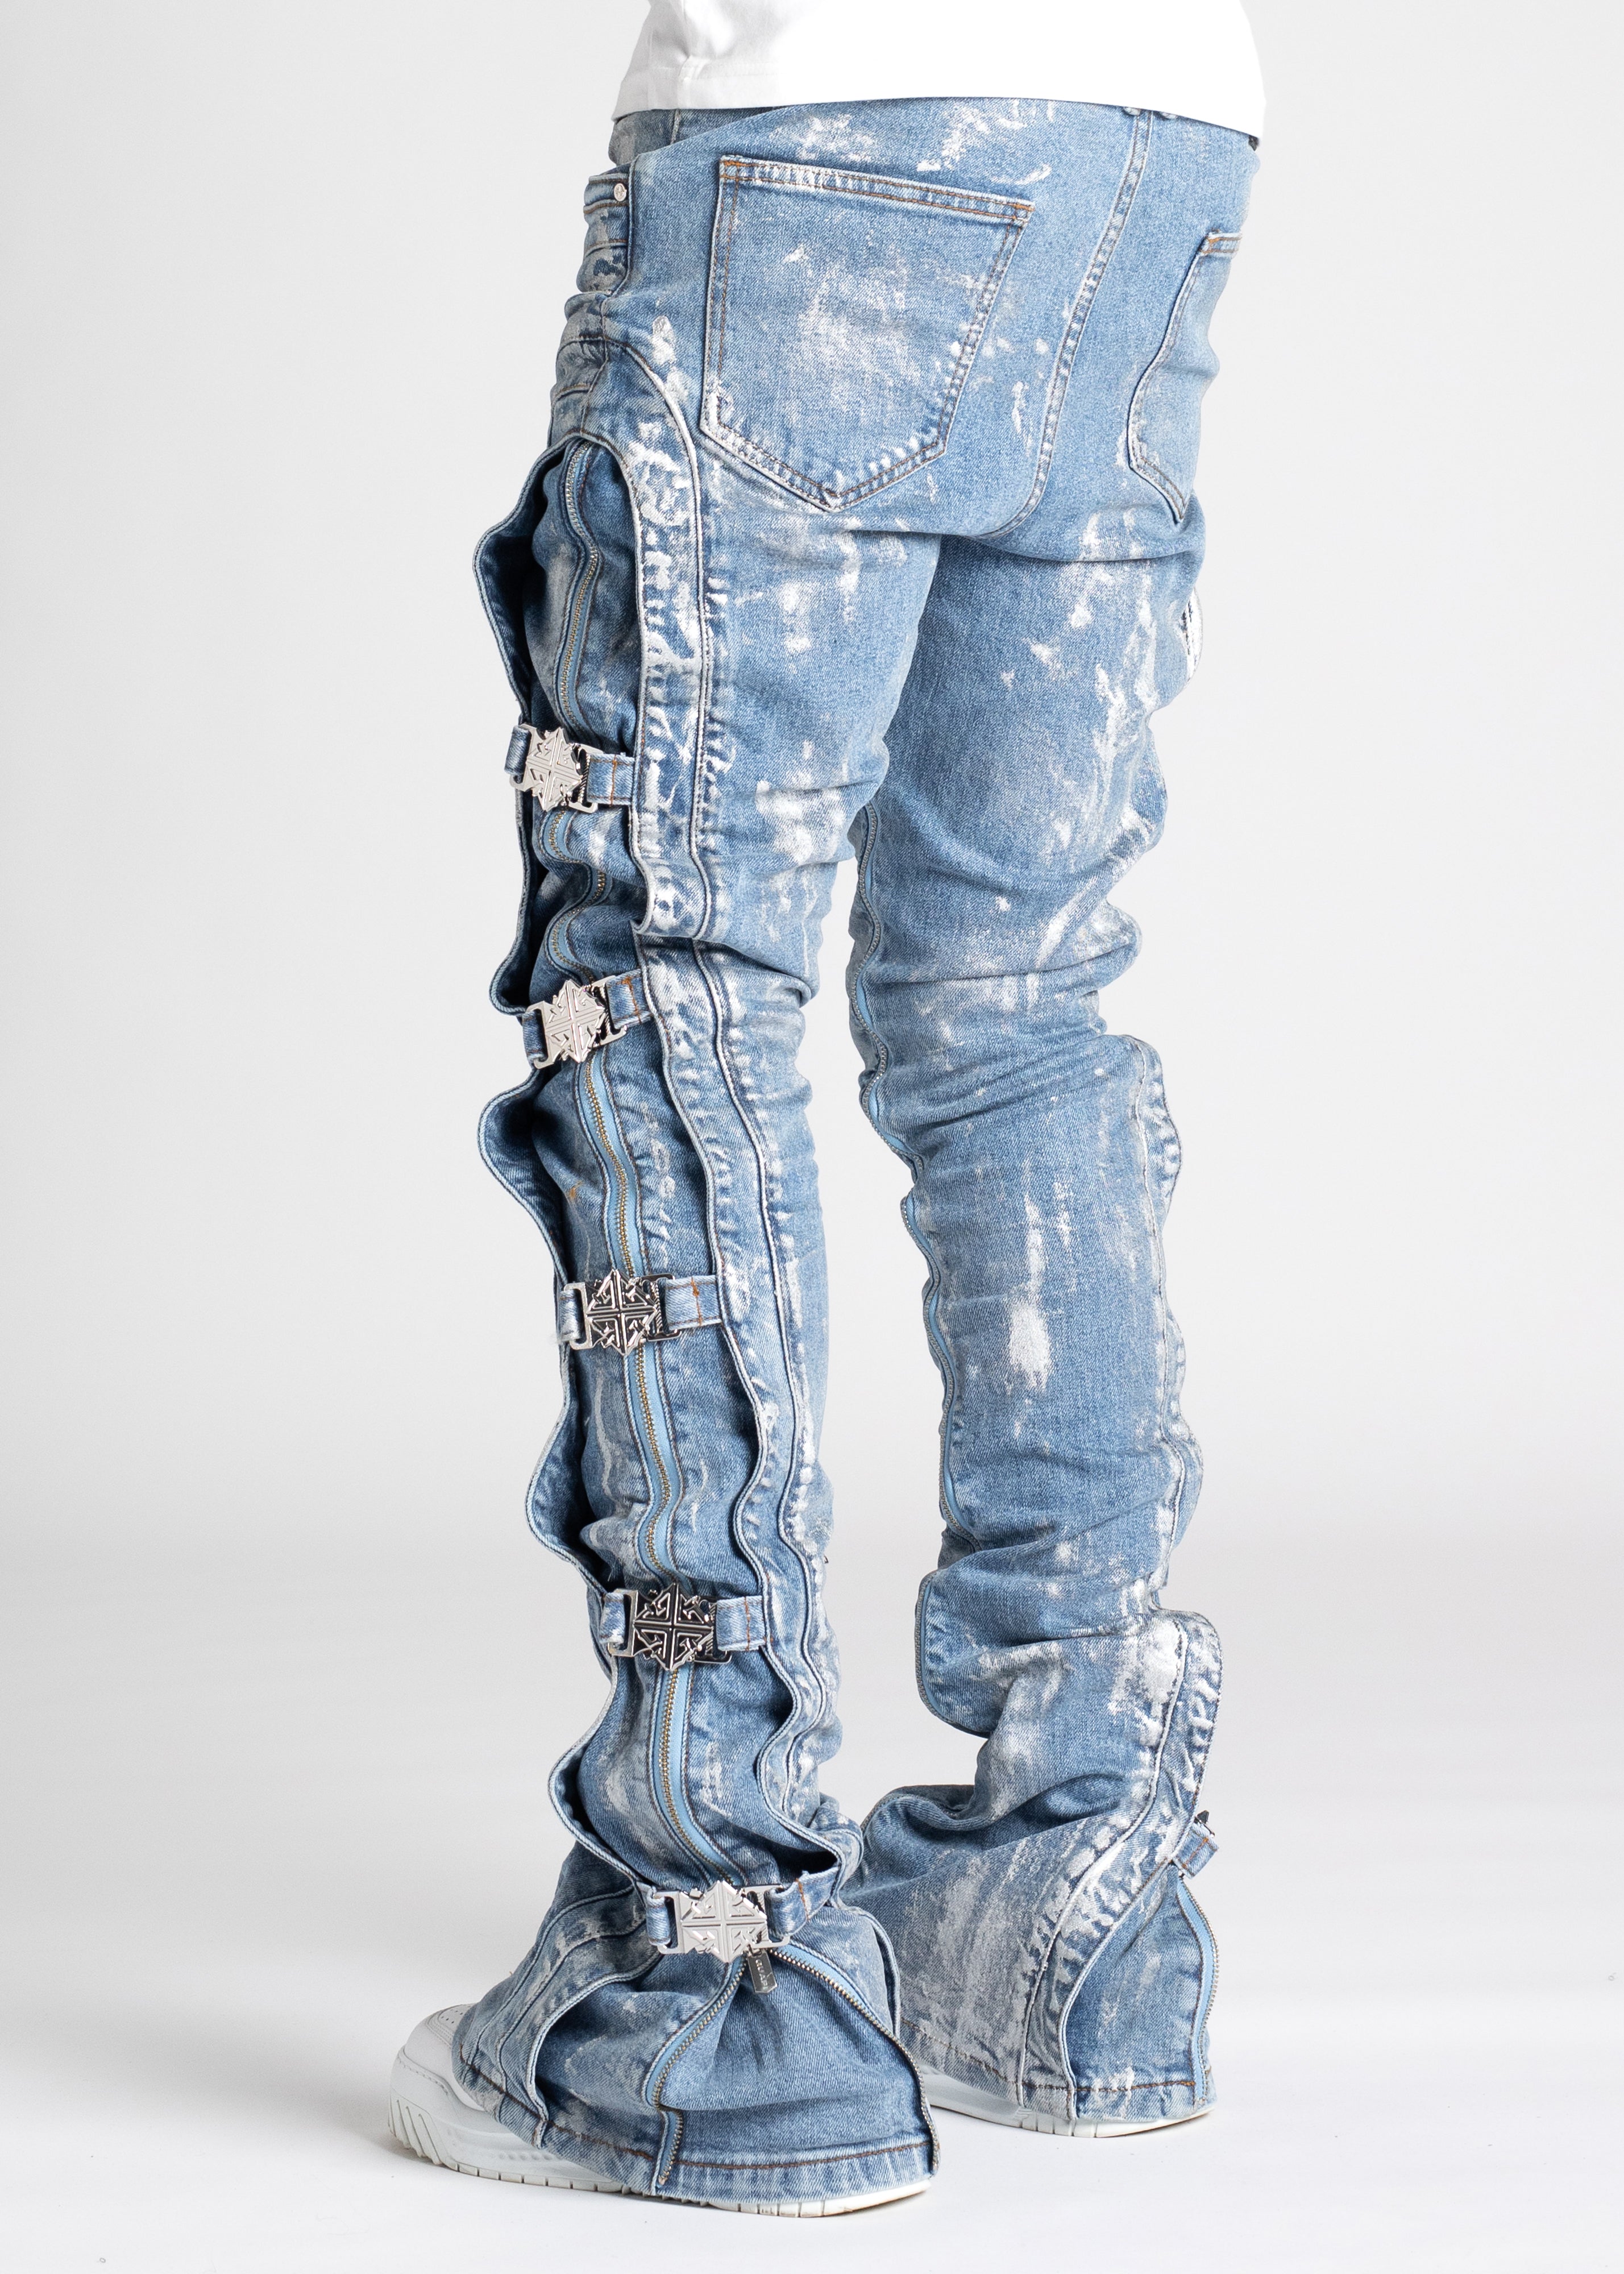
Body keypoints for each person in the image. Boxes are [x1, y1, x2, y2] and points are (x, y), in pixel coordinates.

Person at [388, 0, 1263, 2217]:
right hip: (1153, 132)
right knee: (1020, 1002)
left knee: (673, 971)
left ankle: (717, 1962)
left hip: (821, 135)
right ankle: (1068, 1909)